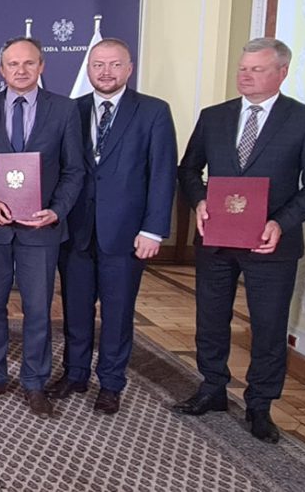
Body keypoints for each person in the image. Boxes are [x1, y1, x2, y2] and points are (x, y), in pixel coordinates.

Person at [174, 37, 305, 443]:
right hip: (216, 239)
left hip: (271, 244)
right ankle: (212, 387)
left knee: (268, 326)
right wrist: (199, 201)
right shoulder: (214, 117)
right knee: (211, 318)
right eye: (242, 68)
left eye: (256, 69)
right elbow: (188, 169)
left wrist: (281, 222)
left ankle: (260, 405)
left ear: (282, 72)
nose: (245, 76)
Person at [49, 39, 178, 415]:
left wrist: (154, 230)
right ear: (88, 69)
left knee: (117, 313)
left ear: (129, 68)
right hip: (76, 231)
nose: (106, 72)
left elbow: (162, 173)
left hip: (126, 234)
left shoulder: (153, 111)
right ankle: (75, 374)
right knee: (75, 309)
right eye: (98, 65)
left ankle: (110, 383)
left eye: (114, 65)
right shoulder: (72, 109)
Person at [0, 37, 85, 418]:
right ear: (1, 70)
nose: (21, 70)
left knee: (37, 310)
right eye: (13, 64)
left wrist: (57, 211)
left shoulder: (64, 110)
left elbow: (74, 170)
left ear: (41, 66)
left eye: (29, 63)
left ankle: (35, 382)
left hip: (40, 228)